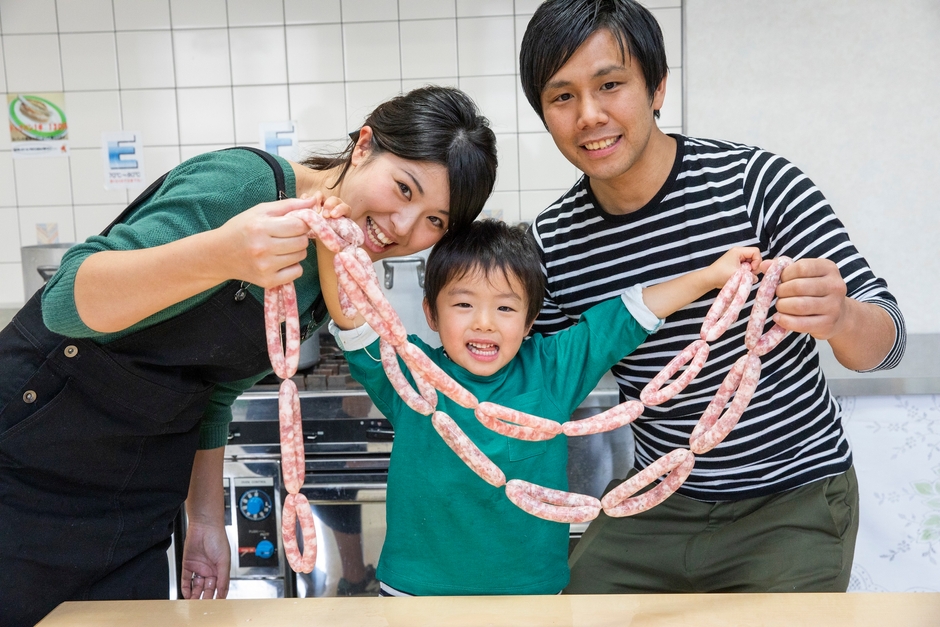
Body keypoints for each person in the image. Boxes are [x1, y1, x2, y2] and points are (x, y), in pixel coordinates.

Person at [0, 85, 497, 627]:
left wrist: (206, 521)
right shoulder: (247, 187)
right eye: (404, 188)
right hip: (32, 462)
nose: (404, 228)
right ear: (363, 145)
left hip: (135, 499)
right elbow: (66, 301)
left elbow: (214, 389)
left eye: (435, 221)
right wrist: (223, 253)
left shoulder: (330, 263)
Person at [519, 0, 906, 594]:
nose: (589, 115)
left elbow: (887, 344)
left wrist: (842, 314)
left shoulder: (758, 185)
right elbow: (538, 384)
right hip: (656, 501)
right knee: (571, 607)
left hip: (791, 502)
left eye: (611, 84)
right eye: (562, 96)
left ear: (657, 88)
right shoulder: (554, 242)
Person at [328, 218, 762, 595]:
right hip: (417, 593)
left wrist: (709, 276)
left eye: (505, 307)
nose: (484, 321)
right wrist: (327, 241)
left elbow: (625, 318)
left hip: (534, 593)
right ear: (431, 313)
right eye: (463, 304)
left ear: (529, 321)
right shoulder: (411, 373)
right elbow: (354, 320)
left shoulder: (552, 369)